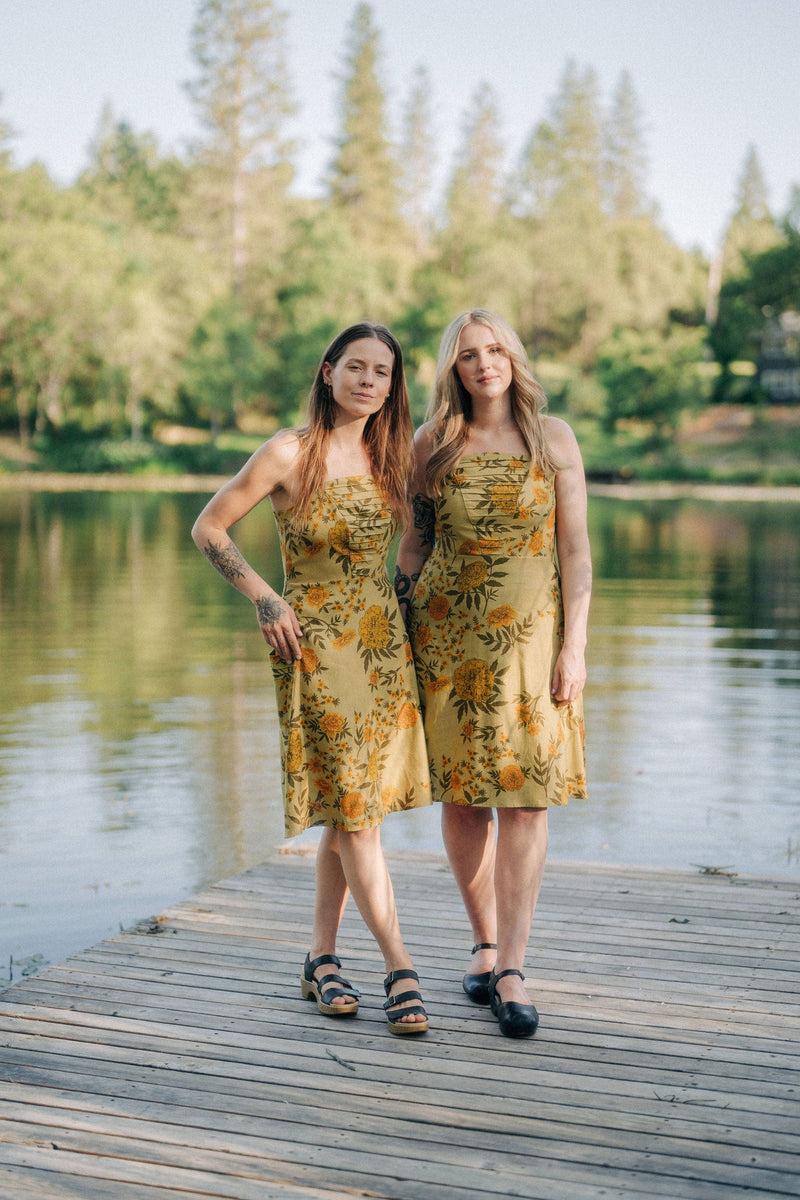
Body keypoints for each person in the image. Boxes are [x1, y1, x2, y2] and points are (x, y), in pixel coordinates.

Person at [192, 322, 430, 1035]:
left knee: (351, 815)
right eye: (355, 367)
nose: (367, 381)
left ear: (392, 387)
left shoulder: (391, 458)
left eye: (381, 372)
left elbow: (414, 544)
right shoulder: (288, 453)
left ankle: (320, 960)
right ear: (327, 372)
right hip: (316, 650)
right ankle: (400, 966)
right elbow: (210, 528)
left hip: (385, 652)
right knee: (356, 818)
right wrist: (265, 597)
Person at [395, 308, 590, 1038]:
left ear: (514, 356)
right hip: (448, 648)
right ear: (454, 368)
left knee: (527, 802)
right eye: (470, 354)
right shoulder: (433, 443)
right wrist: (400, 639)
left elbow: (576, 555)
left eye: (496, 349)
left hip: (536, 647)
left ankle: (512, 964)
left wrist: (575, 648)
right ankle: (482, 941)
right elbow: (414, 548)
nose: (485, 364)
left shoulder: (553, 437)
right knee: (465, 799)